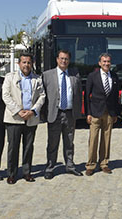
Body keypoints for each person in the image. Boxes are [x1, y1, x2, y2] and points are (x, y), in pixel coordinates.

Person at [2, 53, 46, 184]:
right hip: (14, 118)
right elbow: (6, 95)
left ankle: (27, 172)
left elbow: (42, 96)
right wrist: (18, 111)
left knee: (28, 147)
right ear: (18, 64)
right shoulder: (10, 78)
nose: (26, 65)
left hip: (31, 118)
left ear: (32, 64)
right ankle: (12, 174)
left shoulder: (37, 79)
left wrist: (33, 111)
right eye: (24, 62)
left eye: (28, 62)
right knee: (13, 147)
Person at [41, 49, 83, 178]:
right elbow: (43, 96)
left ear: (69, 61)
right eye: (61, 58)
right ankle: (50, 168)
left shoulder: (74, 75)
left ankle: (70, 165)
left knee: (69, 142)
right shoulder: (47, 75)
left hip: (70, 113)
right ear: (57, 59)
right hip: (55, 113)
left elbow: (78, 94)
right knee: (53, 143)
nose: (63, 61)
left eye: (66, 59)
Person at [84, 53, 121, 176]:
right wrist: (88, 113)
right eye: (104, 61)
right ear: (99, 63)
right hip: (95, 112)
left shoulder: (114, 76)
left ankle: (104, 163)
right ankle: (90, 165)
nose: (106, 64)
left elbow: (116, 97)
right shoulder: (92, 76)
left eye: (108, 61)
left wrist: (115, 113)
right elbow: (87, 96)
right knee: (93, 139)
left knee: (106, 139)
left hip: (109, 113)